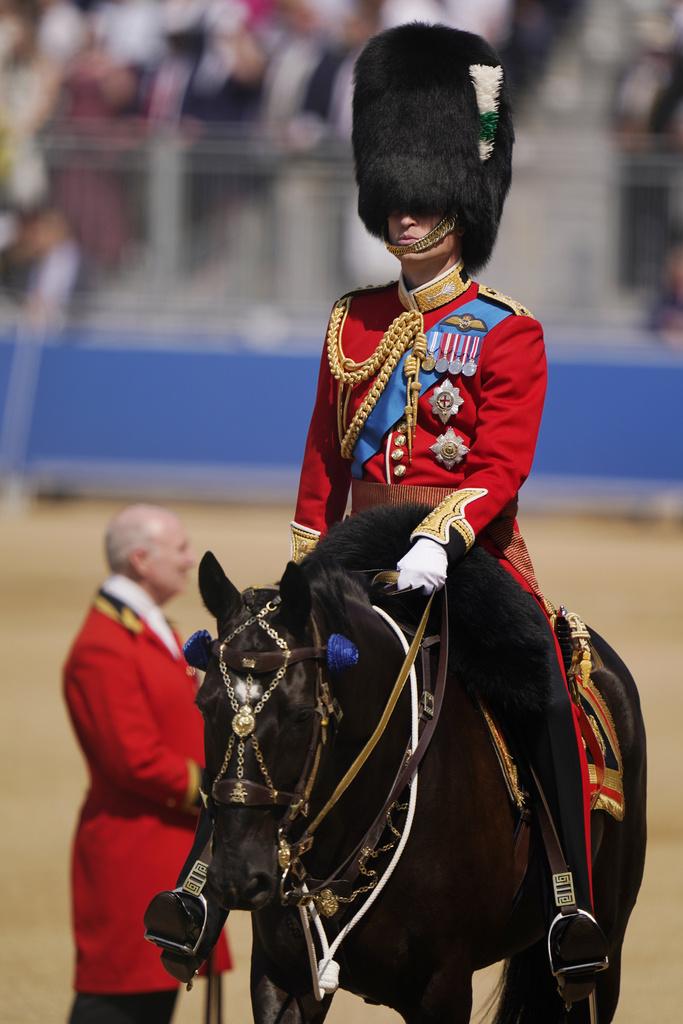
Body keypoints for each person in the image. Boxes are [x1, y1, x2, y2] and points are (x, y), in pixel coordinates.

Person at [290, 21, 608, 1006]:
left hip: (461, 559)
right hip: (354, 557)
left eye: (425, 205)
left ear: (461, 210)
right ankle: (246, 886)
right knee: (273, 697)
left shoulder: (505, 331)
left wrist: (441, 539)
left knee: (542, 684)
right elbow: (321, 457)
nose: (405, 222)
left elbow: (503, 463)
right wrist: (308, 565)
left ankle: (567, 904)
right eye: (394, 205)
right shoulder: (353, 320)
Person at [63, 504, 231, 1024]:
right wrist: (214, 786)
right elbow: (133, 760)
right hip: (135, 854)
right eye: (179, 549)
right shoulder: (103, 647)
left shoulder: (145, 628)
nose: (188, 562)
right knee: (119, 1006)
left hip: (172, 848)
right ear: (140, 559)